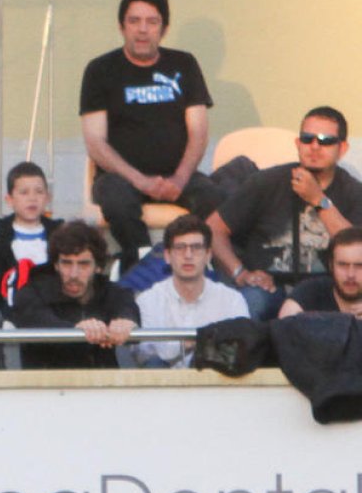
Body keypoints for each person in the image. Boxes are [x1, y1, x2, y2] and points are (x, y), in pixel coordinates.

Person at [80, 0, 222, 270]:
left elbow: (199, 132)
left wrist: (180, 179)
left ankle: (210, 272)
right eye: (134, 21)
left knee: (214, 198)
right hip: (121, 178)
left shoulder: (185, 64)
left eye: (151, 22)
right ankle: (146, 266)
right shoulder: (100, 71)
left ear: (164, 28)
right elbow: (95, 142)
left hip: (178, 176)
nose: (142, 29)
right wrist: (140, 181)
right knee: (118, 203)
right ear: (122, 27)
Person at [208, 106, 362, 321]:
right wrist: (239, 273)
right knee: (250, 304)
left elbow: (356, 250)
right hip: (268, 286)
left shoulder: (353, 191)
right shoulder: (266, 182)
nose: (315, 146)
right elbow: (213, 229)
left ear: (342, 148)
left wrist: (319, 200)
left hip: (326, 290)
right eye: (307, 139)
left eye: (325, 140)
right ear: (298, 144)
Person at [12, 220, 139, 369]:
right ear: (56, 265)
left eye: (83, 264)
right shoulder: (32, 293)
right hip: (46, 386)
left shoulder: (111, 292)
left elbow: (127, 307)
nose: (74, 274)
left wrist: (126, 322)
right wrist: (78, 329)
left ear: (98, 267)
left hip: (101, 387)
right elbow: (40, 324)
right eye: (66, 263)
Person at [130, 214, 248, 368]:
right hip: (164, 387)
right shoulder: (148, 300)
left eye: (196, 248)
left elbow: (242, 349)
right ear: (167, 256)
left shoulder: (232, 300)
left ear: (208, 255)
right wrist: (183, 345)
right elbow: (141, 355)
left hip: (213, 385)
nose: (188, 255)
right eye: (180, 248)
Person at [0, 161, 63, 319]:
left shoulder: (63, 235)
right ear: (9, 200)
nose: (32, 198)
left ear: (48, 197)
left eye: (39, 192)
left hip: (56, 315)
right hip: (11, 316)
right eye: (24, 192)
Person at [278, 227, 362, 319]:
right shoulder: (312, 291)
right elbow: (284, 326)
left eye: (359, 266)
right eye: (343, 265)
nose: (350, 274)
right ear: (331, 265)